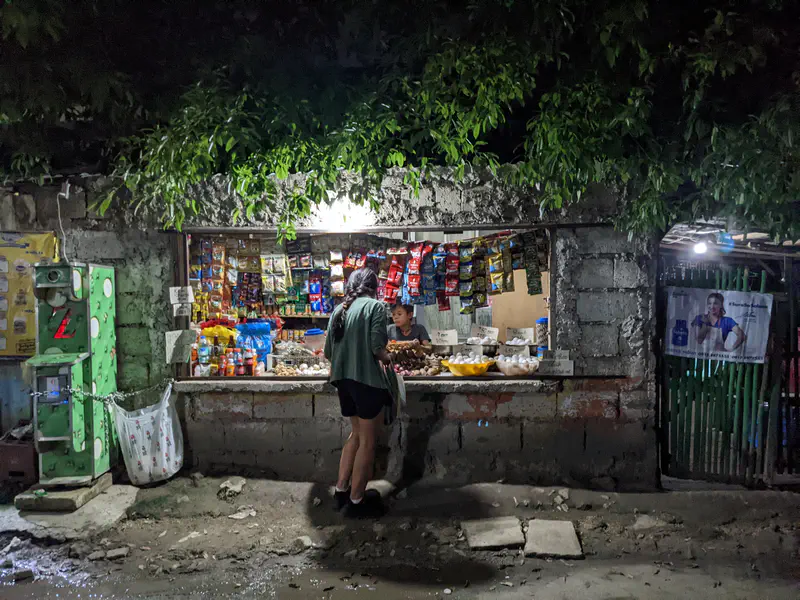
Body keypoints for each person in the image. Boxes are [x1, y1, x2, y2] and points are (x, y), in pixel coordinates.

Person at [324, 267, 392, 518]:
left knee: (355, 434)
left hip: (343, 382)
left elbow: (328, 352)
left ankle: (341, 490)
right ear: (374, 288)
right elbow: (377, 348)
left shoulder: (338, 311)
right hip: (366, 381)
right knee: (368, 441)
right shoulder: (375, 307)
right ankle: (357, 501)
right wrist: (390, 357)